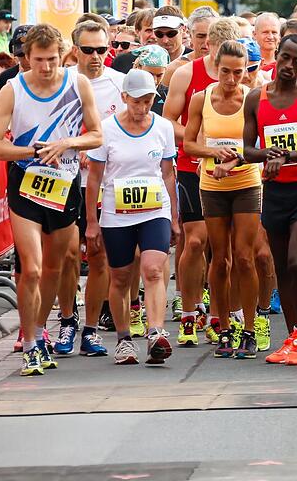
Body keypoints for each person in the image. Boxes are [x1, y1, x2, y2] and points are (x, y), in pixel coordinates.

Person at [0, 24, 102, 376]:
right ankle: (31, 341)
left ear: (62, 55)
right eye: (38, 60)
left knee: (55, 267)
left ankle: (39, 331)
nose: (46, 67)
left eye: (51, 60)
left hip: (63, 184)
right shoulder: (13, 90)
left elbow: (96, 135)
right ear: (26, 57)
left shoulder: (77, 84)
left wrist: (66, 144)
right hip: (25, 183)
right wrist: (29, 150)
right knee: (31, 269)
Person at [242, 34, 297, 365]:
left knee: (296, 260)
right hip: (275, 188)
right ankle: (292, 336)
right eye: (286, 58)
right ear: (276, 55)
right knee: (281, 265)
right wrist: (268, 155)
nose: (290, 65)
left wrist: (287, 156)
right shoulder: (255, 98)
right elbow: (248, 149)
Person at [84, 70, 180, 365]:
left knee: (152, 269)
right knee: (122, 277)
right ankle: (124, 339)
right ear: (124, 98)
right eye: (137, 101)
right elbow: (94, 178)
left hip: (155, 211)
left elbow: (167, 173)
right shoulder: (107, 130)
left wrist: (175, 216)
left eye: (149, 101)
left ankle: (156, 333)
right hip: (117, 214)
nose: (143, 108)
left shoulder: (163, 127)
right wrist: (91, 221)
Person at [182, 41, 263, 358]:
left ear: (247, 71)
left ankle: (250, 328)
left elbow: (261, 144)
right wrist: (212, 153)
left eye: (239, 72)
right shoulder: (202, 99)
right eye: (226, 72)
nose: (232, 79)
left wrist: (237, 159)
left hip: (246, 182)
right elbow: (189, 144)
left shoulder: (253, 98)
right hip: (212, 185)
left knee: (245, 257)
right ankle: (224, 326)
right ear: (216, 68)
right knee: (220, 258)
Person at [54, 21, 125, 358]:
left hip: (104, 184)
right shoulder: (59, 81)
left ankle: (91, 330)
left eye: (102, 49)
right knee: (67, 257)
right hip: (65, 183)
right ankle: (67, 319)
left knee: (100, 258)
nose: (97, 56)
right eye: (89, 50)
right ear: (74, 49)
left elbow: (129, 132)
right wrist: (73, 148)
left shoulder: (119, 84)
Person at [165, 18, 240, 338]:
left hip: (235, 170)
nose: (225, 71)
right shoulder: (186, 74)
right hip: (191, 164)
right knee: (195, 240)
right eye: (217, 60)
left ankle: (224, 314)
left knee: (228, 247)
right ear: (208, 47)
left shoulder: (243, 78)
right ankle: (189, 310)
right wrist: (204, 144)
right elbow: (167, 121)